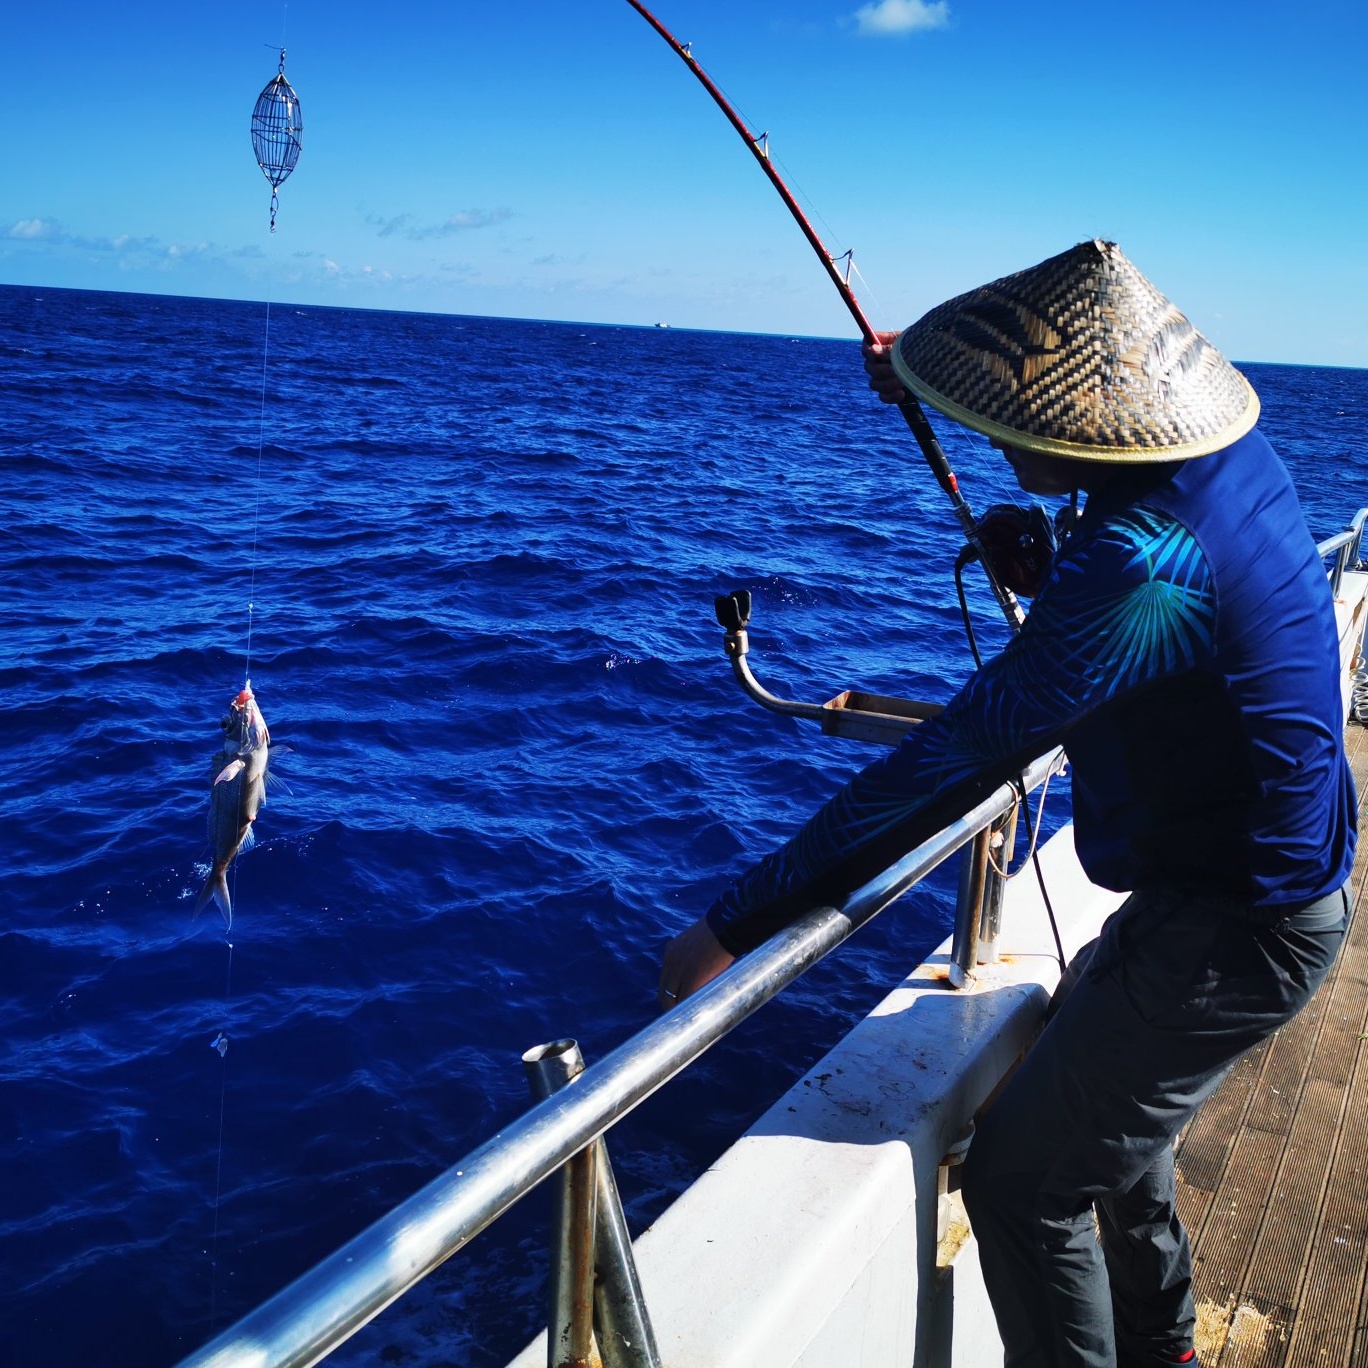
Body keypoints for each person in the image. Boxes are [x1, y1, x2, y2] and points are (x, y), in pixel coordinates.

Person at [657, 239, 1356, 1366]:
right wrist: (1046, 554)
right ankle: (1166, 1347)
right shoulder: (1233, 462)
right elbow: (1181, 618)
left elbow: (961, 756)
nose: (991, 432)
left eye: (1005, 413)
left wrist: (737, 921)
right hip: (1234, 883)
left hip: (1241, 926)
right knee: (1118, 1131)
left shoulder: (1140, 563)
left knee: (1021, 1185)